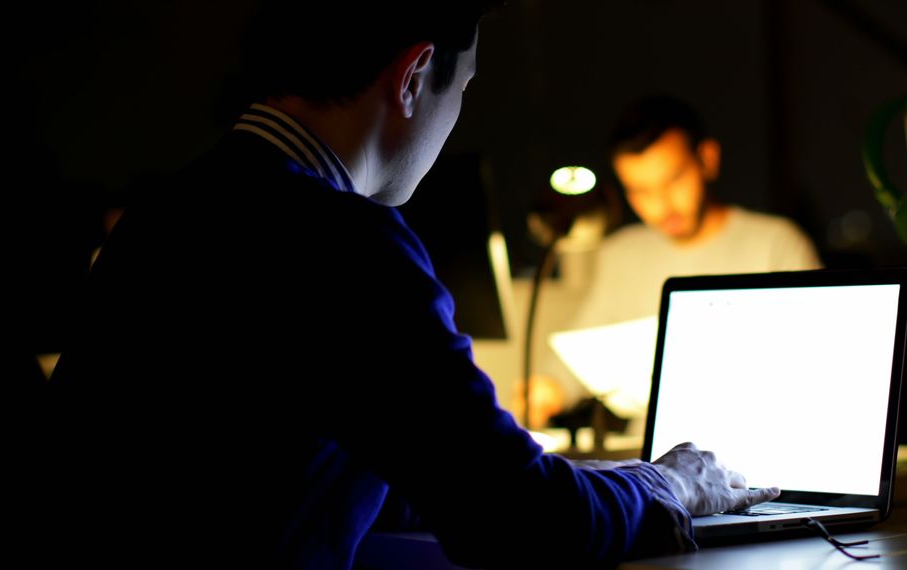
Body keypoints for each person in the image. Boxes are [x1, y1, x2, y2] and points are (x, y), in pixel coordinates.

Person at [45, 3, 778, 568]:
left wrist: (528, 470)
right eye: (461, 87)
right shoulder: (342, 244)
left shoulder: (163, 214)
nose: (454, 116)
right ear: (413, 76)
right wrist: (666, 484)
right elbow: (520, 523)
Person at [535, 95, 822, 427]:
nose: (661, 205)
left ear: (707, 159)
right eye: (640, 190)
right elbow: (576, 361)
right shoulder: (621, 254)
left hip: (754, 437)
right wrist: (546, 389)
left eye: (674, 180)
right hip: (653, 458)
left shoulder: (776, 243)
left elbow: (816, 363)